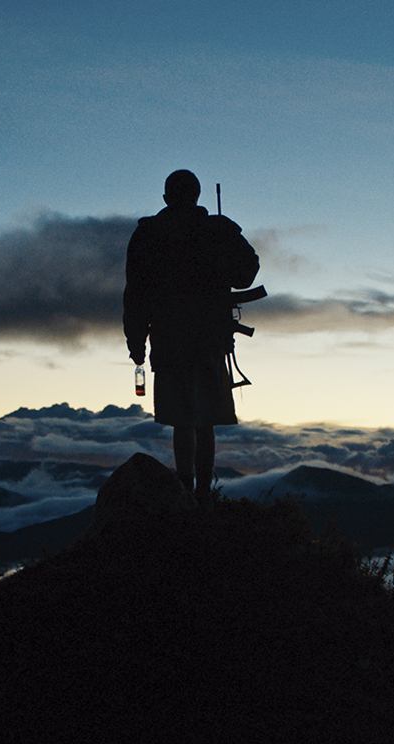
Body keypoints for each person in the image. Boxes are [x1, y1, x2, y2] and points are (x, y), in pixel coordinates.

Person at [124, 169, 260, 507]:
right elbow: (248, 272)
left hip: (169, 338)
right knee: (206, 418)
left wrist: (136, 342)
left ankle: (186, 491)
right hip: (211, 337)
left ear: (167, 197)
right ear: (197, 196)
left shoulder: (149, 234)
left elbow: (135, 294)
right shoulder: (218, 229)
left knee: (181, 419)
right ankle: (202, 493)